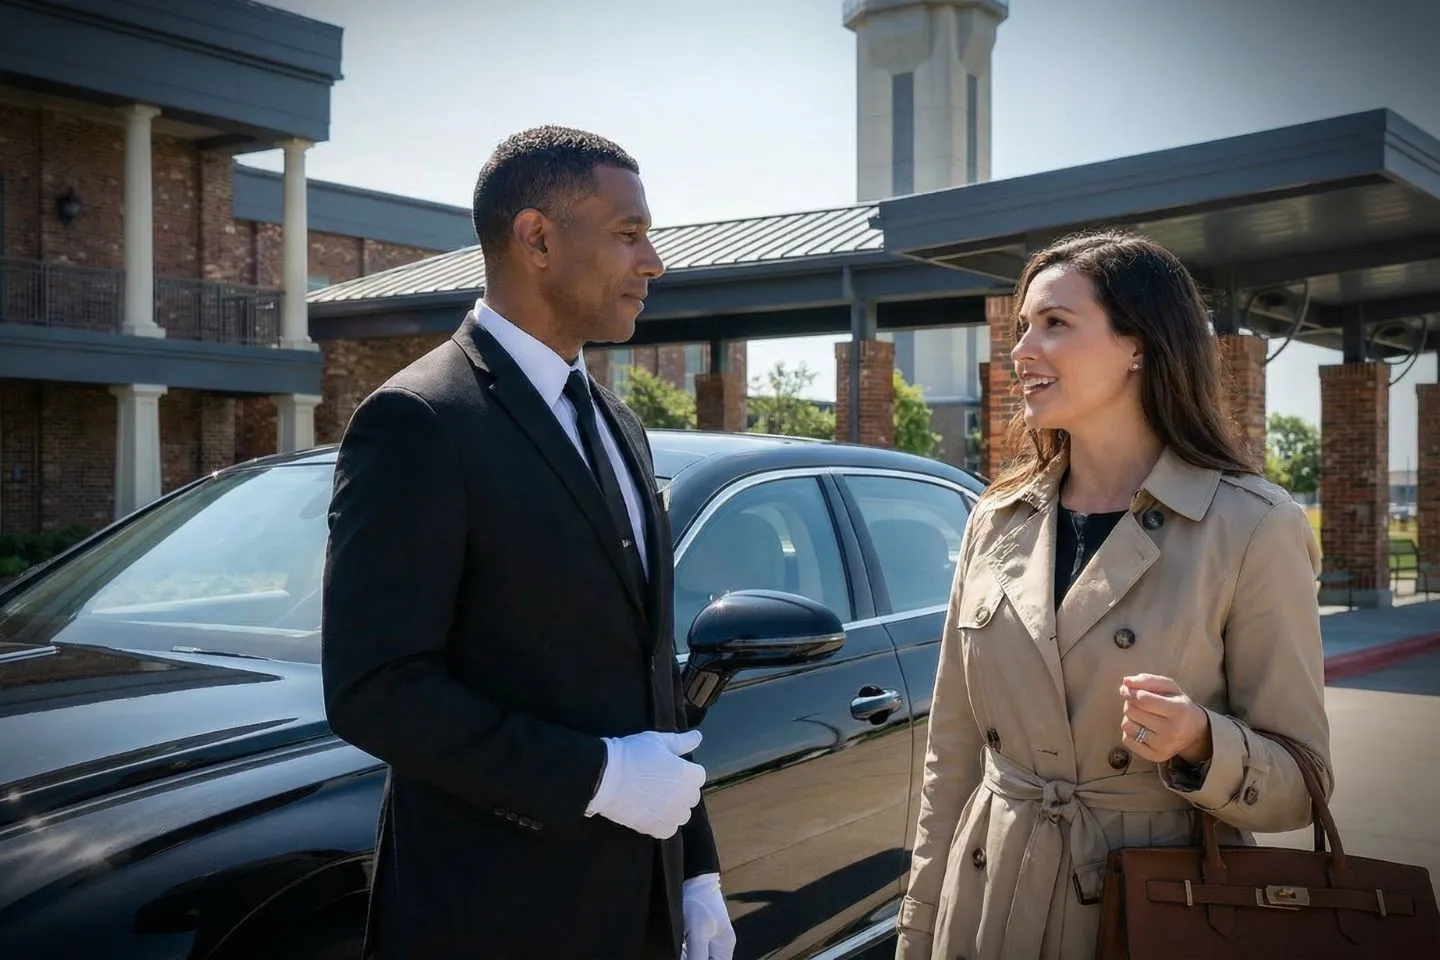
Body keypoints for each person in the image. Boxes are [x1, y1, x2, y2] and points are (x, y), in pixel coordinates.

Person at [321, 125, 736, 960]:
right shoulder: (419, 420)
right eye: (628, 235)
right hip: (495, 919)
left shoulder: (620, 425)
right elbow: (376, 687)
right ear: (537, 238)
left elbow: (646, 676)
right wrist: (599, 778)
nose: (652, 260)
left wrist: (695, 871)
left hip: (640, 909)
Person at [894, 229, 1331, 960]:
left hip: (1148, 911)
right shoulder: (994, 520)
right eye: (1022, 327)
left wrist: (1201, 741)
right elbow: (953, 755)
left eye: (1055, 324)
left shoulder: (1253, 527)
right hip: (985, 905)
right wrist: (919, 927)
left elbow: (1303, 782)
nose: (1023, 350)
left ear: (1140, 345)